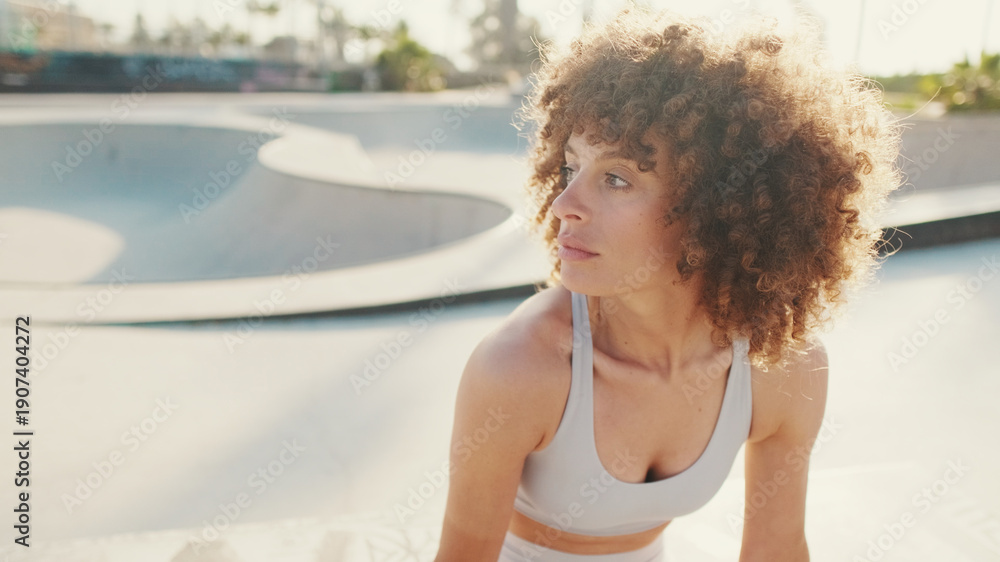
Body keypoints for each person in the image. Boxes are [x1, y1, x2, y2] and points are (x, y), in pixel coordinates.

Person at [434, 6, 901, 562]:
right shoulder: (521, 367)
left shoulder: (782, 366)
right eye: (569, 167)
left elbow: (776, 549)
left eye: (615, 178)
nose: (564, 205)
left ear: (719, 208)